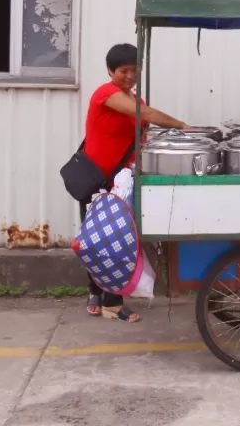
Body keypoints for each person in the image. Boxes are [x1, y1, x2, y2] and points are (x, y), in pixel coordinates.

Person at [82, 43, 187, 322]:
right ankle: (110, 302)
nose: (129, 75)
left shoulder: (135, 99)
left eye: (134, 69)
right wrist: (182, 126)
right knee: (105, 240)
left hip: (120, 180)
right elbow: (148, 115)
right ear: (110, 71)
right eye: (122, 71)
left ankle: (101, 295)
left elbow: (141, 133)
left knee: (107, 239)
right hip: (98, 178)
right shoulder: (106, 94)